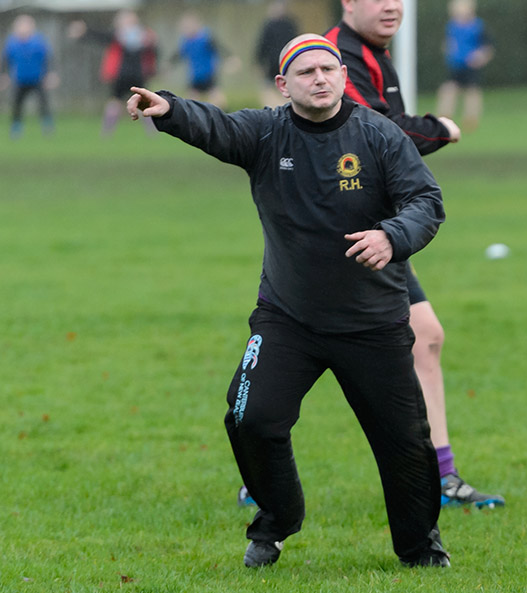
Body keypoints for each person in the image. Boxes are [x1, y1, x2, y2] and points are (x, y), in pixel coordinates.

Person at [126, 34, 449, 569]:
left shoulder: (379, 135)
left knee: (405, 445)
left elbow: (425, 201)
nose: (320, 78)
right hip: (288, 318)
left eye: (328, 69)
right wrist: (170, 109)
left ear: (343, 78)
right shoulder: (265, 133)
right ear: (284, 84)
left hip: (373, 323)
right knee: (249, 416)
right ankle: (276, 521)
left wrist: (392, 236)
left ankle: (419, 547)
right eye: (306, 72)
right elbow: (217, 127)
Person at [326, 0, 504, 510]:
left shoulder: (372, 52)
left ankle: (442, 477)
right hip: (343, 235)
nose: (391, 5)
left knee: (424, 339)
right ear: (348, 4)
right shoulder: (339, 55)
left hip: (378, 234)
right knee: (309, 352)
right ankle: (262, 469)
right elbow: (382, 130)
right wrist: (440, 129)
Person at [68, 10, 158, 137]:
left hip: (124, 73)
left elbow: (101, 37)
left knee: (117, 101)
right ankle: (152, 131)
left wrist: (84, 32)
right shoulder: (144, 35)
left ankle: (107, 131)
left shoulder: (120, 35)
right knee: (142, 102)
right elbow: (154, 51)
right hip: (136, 74)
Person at [435, 0, 493, 132]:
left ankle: (471, 119)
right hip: (455, 64)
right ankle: (444, 117)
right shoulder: (451, 26)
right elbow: (448, 42)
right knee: (448, 89)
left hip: (470, 65)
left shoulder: (478, 26)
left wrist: (480, 57)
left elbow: (488, 46)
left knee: (472, 92)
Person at [2, 14, 56, 138]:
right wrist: (4, 75)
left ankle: (47, 125)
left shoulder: (38, 42)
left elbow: (48, 58)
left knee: (43, 103)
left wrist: (50, 73)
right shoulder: (12, 43)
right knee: (17, 105)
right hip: (20, 79)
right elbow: (5, 60)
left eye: (26, 25)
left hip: (37, 78)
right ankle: (16, 128)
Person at [172, 11, 226, 107]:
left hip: (208, 73)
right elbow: (179, 54)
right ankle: (193, 119)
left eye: (188, 26)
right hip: (194, 75)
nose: (186, 29)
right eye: (184, 27)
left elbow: (219, 48)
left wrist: (229, 59)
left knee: (215, 96)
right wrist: (169, 64)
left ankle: (226, 115)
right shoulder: (186, 41)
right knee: (190, 100)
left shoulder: (206, 37)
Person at [254, 1, 298, 106]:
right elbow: (262, 44)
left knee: (284, 87)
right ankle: (274, 109)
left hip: (285, 61)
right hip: (275, 62)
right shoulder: (270, 25)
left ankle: (285, 109)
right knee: (269, 88)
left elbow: (295, 43)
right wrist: (259, 61)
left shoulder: (289, 24)